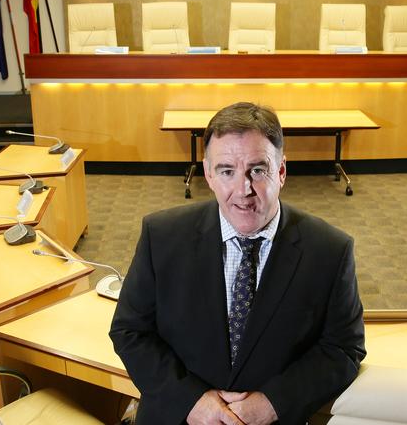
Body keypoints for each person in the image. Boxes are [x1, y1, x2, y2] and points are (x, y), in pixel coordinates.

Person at [110, 102, 365, 424]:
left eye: (258, 170)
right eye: (227, 171)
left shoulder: (330, 249)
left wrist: (274, 403)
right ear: (208, 174)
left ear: (281, 171)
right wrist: (190, 401)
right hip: (179, 416)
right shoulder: (161, 236)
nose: (243, 190)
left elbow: (343, 349)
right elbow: (130, 331)